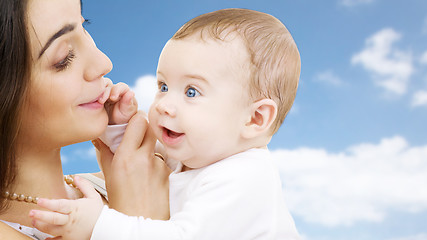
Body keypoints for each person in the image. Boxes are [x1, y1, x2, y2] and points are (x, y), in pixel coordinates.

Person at [30, 8, 301, 239]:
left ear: (255, 118)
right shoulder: (201, 154)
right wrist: (118, 128)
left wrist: (98, 226)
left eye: (191, 92)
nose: (162, 105)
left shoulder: (244, 180)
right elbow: (145, 162)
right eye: (163, 85)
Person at [0, 0, 170, 239]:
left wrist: (126, 145)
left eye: (84, 27)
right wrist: (135, 224)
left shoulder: (135, 179)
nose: (103, 63)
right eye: (64, 58)